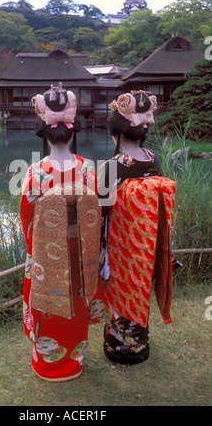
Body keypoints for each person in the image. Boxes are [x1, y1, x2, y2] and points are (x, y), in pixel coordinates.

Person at [20, 83, 112, 381]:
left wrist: (36, 244)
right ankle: (74, 361)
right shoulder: (87, 170)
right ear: (72, 132)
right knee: (77, 301)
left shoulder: (35, 172)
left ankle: (47, 364)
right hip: (79, 250)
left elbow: (27, 216)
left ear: (43, 134)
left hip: (47, 253)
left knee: (48, 305)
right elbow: (96, 213)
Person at [98, 90, 178, 365]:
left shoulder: (111, 166)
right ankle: (139, 346)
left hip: (120, 246)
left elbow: (100, 213)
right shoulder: (153, 160)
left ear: (116, 134)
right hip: (147, 243)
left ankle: (118, 348)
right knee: (140, 288)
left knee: (120, 293)